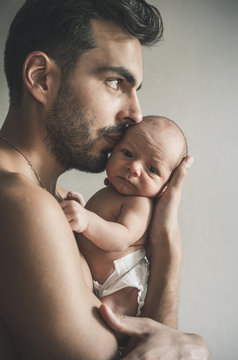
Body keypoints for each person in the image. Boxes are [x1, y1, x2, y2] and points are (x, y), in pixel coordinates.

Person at [0, 0, 209, 359]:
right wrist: (167, 253)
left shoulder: (59, 200)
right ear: (41, 78)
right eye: (116, 82)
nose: (135, 113)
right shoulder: (24, 204)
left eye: (136, 88)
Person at [61, 116, 188, 320]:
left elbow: (120, 238)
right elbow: (102, 222)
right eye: (128, 154)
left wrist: (86, 221)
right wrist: (82, 209)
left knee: (105, 320)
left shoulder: (140, 204)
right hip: (94, 278)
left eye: (152, 169)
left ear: (165, 187)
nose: (134, 168)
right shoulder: (112, 192)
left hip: (120, 286)